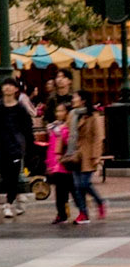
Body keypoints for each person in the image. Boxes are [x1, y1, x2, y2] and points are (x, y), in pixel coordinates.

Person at [0, 76, 36, 219]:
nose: (7, 87)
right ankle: (18, 196)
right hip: (0, 147)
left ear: (16, 89)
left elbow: (28, 129)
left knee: (13, 174)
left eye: (10, 85)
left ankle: (8, 204)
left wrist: (30, 147)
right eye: (5, 85)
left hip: (16, 147)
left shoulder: (20, 109)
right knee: (5, 176)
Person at [72, 95, 107, 223]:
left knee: (84, 183)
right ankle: (83, 213)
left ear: (83, 100)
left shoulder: (92, 116)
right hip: (75, 154)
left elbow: (98, 137)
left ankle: (100, 202)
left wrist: (97, 156)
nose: (73, 100)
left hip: (88, 154)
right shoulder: (73, 115)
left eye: (75, 97)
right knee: (77, 185)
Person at [45, 100, 75, 225]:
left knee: (74, 191)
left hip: (66, 163)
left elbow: (69, 144)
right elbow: (51, 147)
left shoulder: (69, 128)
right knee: (60, 193)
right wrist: (49, 163)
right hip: (56, 164)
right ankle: (61, 214)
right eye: (57, 111)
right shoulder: (53, 128)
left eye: (62, 111)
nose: (59, 113)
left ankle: (82, 212)